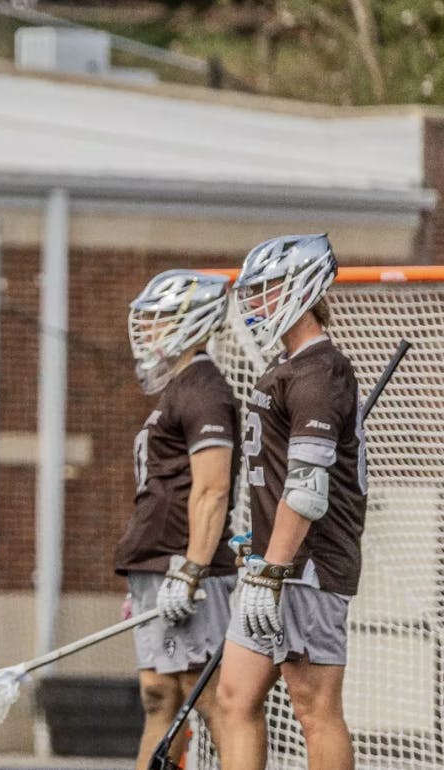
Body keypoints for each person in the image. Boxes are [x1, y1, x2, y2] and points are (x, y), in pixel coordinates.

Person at [215, 234, 364, 770]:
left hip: (307, 565)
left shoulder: (321, 372)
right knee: (233, 698)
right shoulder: (286, 367)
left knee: (313, 706)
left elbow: (306, 490)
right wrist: (255, 550)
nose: (256, 302)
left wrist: (271, 572)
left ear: (302, 289)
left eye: (269, 289)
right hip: (270, 563)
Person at [113, 270, 238, 768]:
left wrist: (189, 570)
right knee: (159, 694)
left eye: (161, 320)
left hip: (185, 567)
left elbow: (212, 488)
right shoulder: (179, 387)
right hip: (156, 564)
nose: (150, 332)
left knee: (204, 694)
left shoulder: (205, 388)